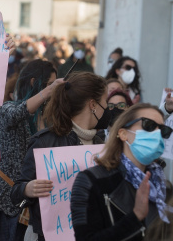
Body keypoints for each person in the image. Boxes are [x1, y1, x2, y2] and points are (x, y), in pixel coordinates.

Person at [11, 72, 109, 241]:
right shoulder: (45, 142)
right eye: (105, 101)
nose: (106, 108)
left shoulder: (102, 145)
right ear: (93, 104)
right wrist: (28, 188)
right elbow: (15, 194)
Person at [0, 59, 63, 241]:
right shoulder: (8, 108)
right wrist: (47, 92)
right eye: (49, 84)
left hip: (37, 202)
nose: (53, 91)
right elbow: (19, 112)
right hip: (6, 202)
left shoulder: (49, 117)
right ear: (34, 83)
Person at [71, 103, 173, 240]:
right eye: (148, 125)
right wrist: (135, 217)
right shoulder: (91, 181)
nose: (157, 134)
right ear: (123, 133)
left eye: (163, 130)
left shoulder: (164, 187)